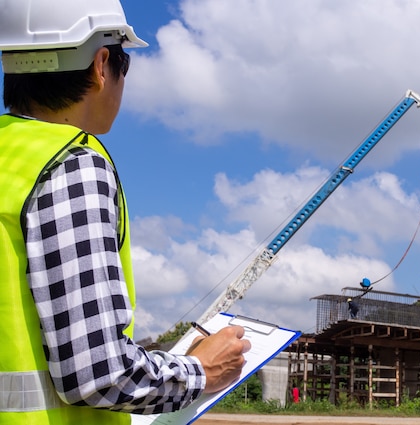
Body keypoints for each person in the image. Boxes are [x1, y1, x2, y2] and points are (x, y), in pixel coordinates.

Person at [0, 1, 251, 424]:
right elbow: (98, 375)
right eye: (125, 64)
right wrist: (201, 372)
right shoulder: (70, 165)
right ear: (101, 65)